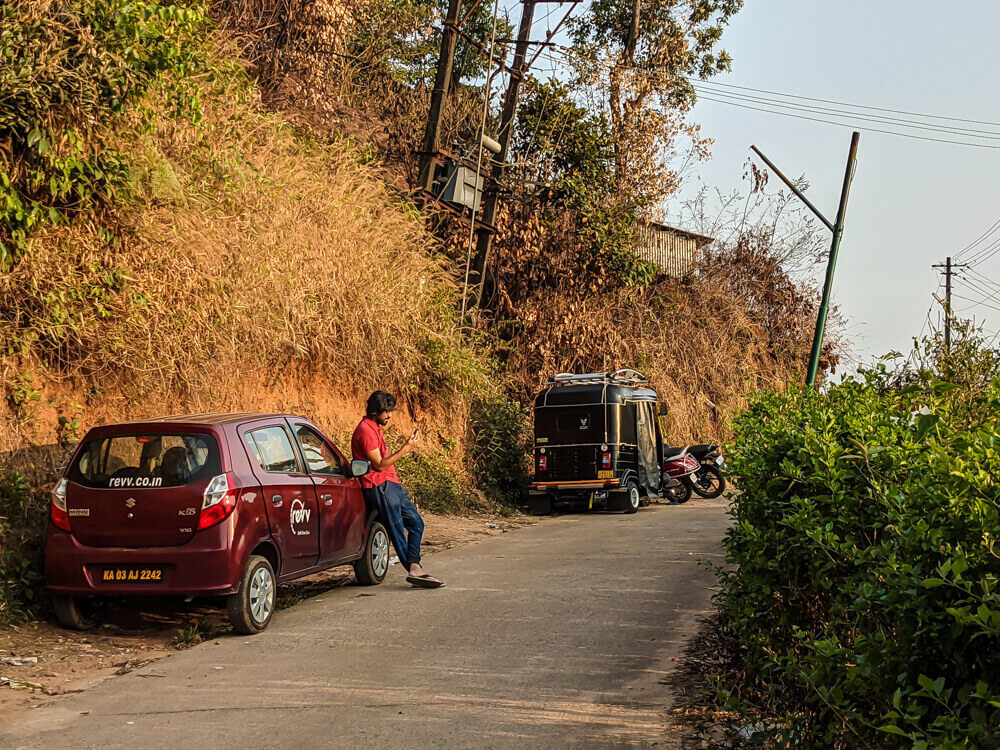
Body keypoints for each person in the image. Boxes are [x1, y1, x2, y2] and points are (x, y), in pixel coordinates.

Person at [351, 391, 443, 588]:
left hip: (392, 485)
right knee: (396, 528)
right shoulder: (365, 431)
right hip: (378, 485)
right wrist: (406, 448)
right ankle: (413, 569)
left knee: (417, 523)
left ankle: (415, 565)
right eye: (387, 412)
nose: (390, 416)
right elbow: (380, 465)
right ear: (376, 412)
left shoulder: (375, 427)